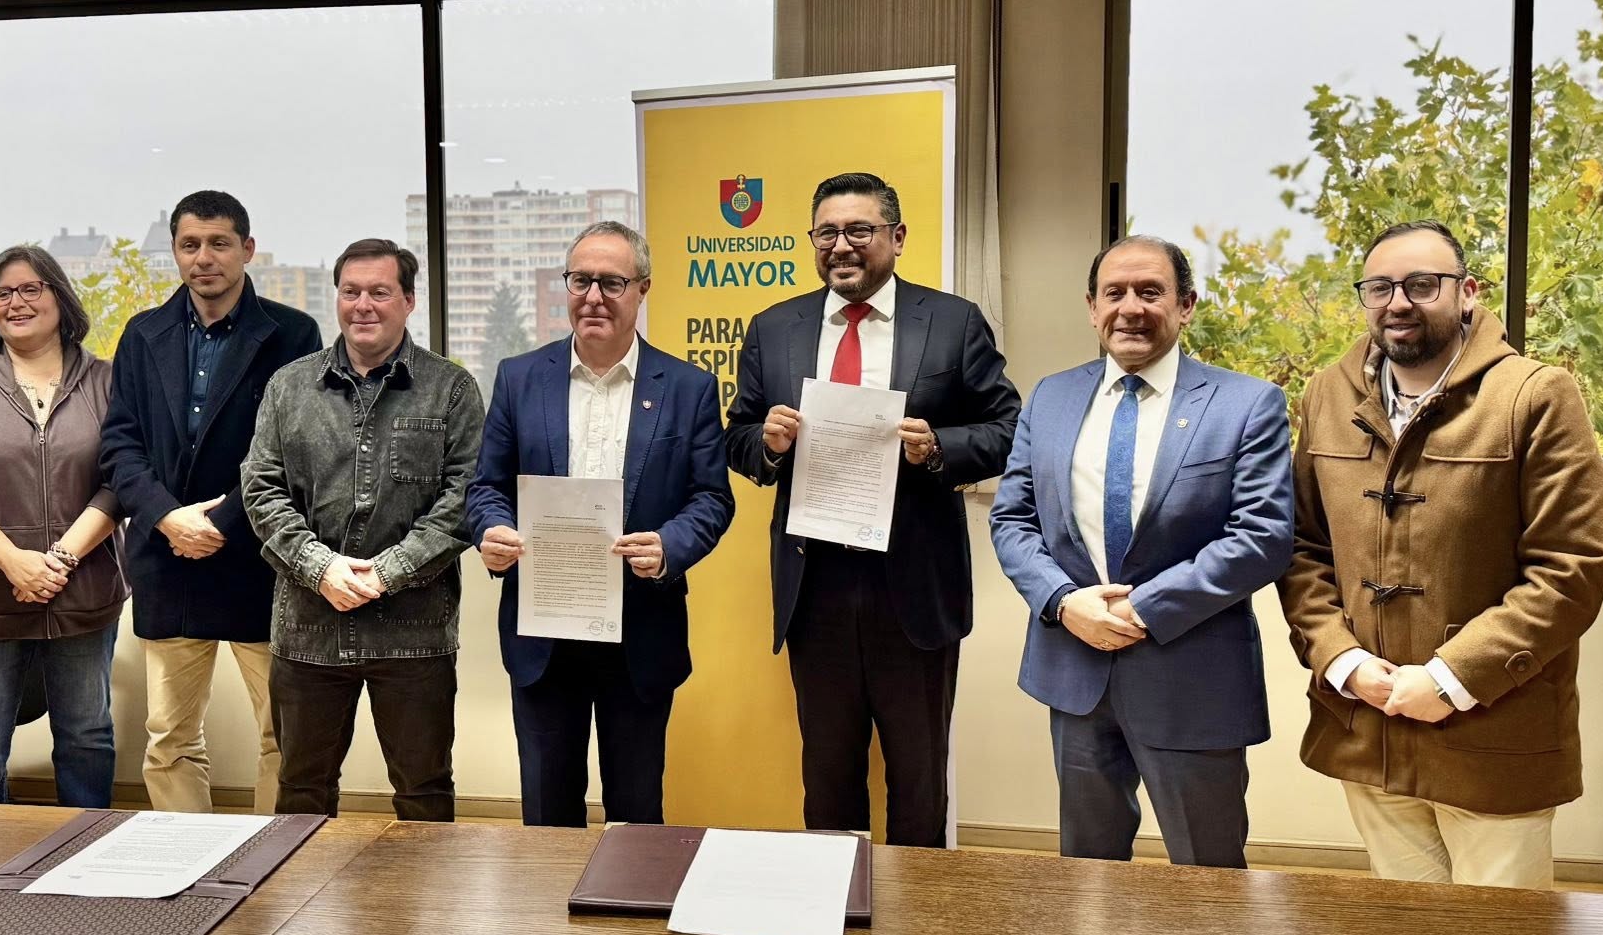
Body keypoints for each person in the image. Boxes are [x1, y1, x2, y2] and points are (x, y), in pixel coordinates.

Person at [1280, 220, 1603, 889]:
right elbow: (1302, 549)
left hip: (1493, 733)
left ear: (1466, 293)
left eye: (1422, 284)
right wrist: (1339, 660)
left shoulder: (1535, 396)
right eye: (1380, 287)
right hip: (1369, 730)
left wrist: (1450, 679)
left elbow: (1569, 570)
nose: (1398, 301)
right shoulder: (1326, 396)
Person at [724, 172, 1021, 847]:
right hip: (817, 586)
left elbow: (1009, 427)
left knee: (918, 777)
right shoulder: (775, 329)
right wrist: (765, 444)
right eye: (827, 232)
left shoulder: (951, 322)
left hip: (913, 587)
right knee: (827, 774)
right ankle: (834, 907)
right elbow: (736, 436)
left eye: (859, 230)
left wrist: (938, 446)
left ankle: (918, 928)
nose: (842, 246)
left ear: (896, 237)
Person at [989, 236, 1294, 869]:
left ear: (1185, 305)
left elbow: (1262, 536)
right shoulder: (1051, 397)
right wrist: (1063, 601)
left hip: (1192, 677)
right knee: (1088, 874)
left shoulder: (1245, 403)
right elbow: (1013, 519)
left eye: (1150, 293)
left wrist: (1143, 609)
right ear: (1092, 307)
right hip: (1074, 670)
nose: (1131, 308)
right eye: (1115, 293)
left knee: (1209, 877)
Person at [467, 222, 734, 826]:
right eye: (580, 280)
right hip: (545, 634)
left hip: (641, 629)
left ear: (642, 289)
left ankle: (630, 921)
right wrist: (492, 530)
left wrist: (670, 544)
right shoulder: (518, 378)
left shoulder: (688, 388)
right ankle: (546, 922)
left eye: (611, 282)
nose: (593, 296)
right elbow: (484, 487)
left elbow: (712, 499)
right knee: (546, 813)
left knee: (636, 816)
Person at [240, 238, 482, 821]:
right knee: (301, 791)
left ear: (408, 301)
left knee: (424, 793)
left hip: (414, 631)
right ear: (337, 299)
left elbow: (463, 498)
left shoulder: (450, 389)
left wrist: (388, 572)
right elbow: (261, 487)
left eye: (379, 292)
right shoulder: (289, 387)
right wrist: (319, 567)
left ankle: (419, 915)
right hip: (309, 630)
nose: (363, 305)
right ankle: (296, 912)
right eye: (351, 292)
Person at [101, 190, 322, 814]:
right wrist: (169, 517)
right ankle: (186, 865)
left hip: (258, 558)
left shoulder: (292, 334)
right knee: (169, 736)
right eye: (190, 245)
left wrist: (220, 520)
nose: (205, 258)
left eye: (220, 243)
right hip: (166, 558)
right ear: (175, 252)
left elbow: (291, 450)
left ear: (247, 250)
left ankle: (275, 863)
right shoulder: (144, 335)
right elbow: (120, 444)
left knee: (284, 733)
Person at [0, 246, 127, 807]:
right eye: (2, 293)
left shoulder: (109, 381)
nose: (17, 302)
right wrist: (13, 560)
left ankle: (84, 858)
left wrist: (59, 562)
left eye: (32, 288)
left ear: (59, 296)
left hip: (83, 591)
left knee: (86, 736)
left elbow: (123, 477)